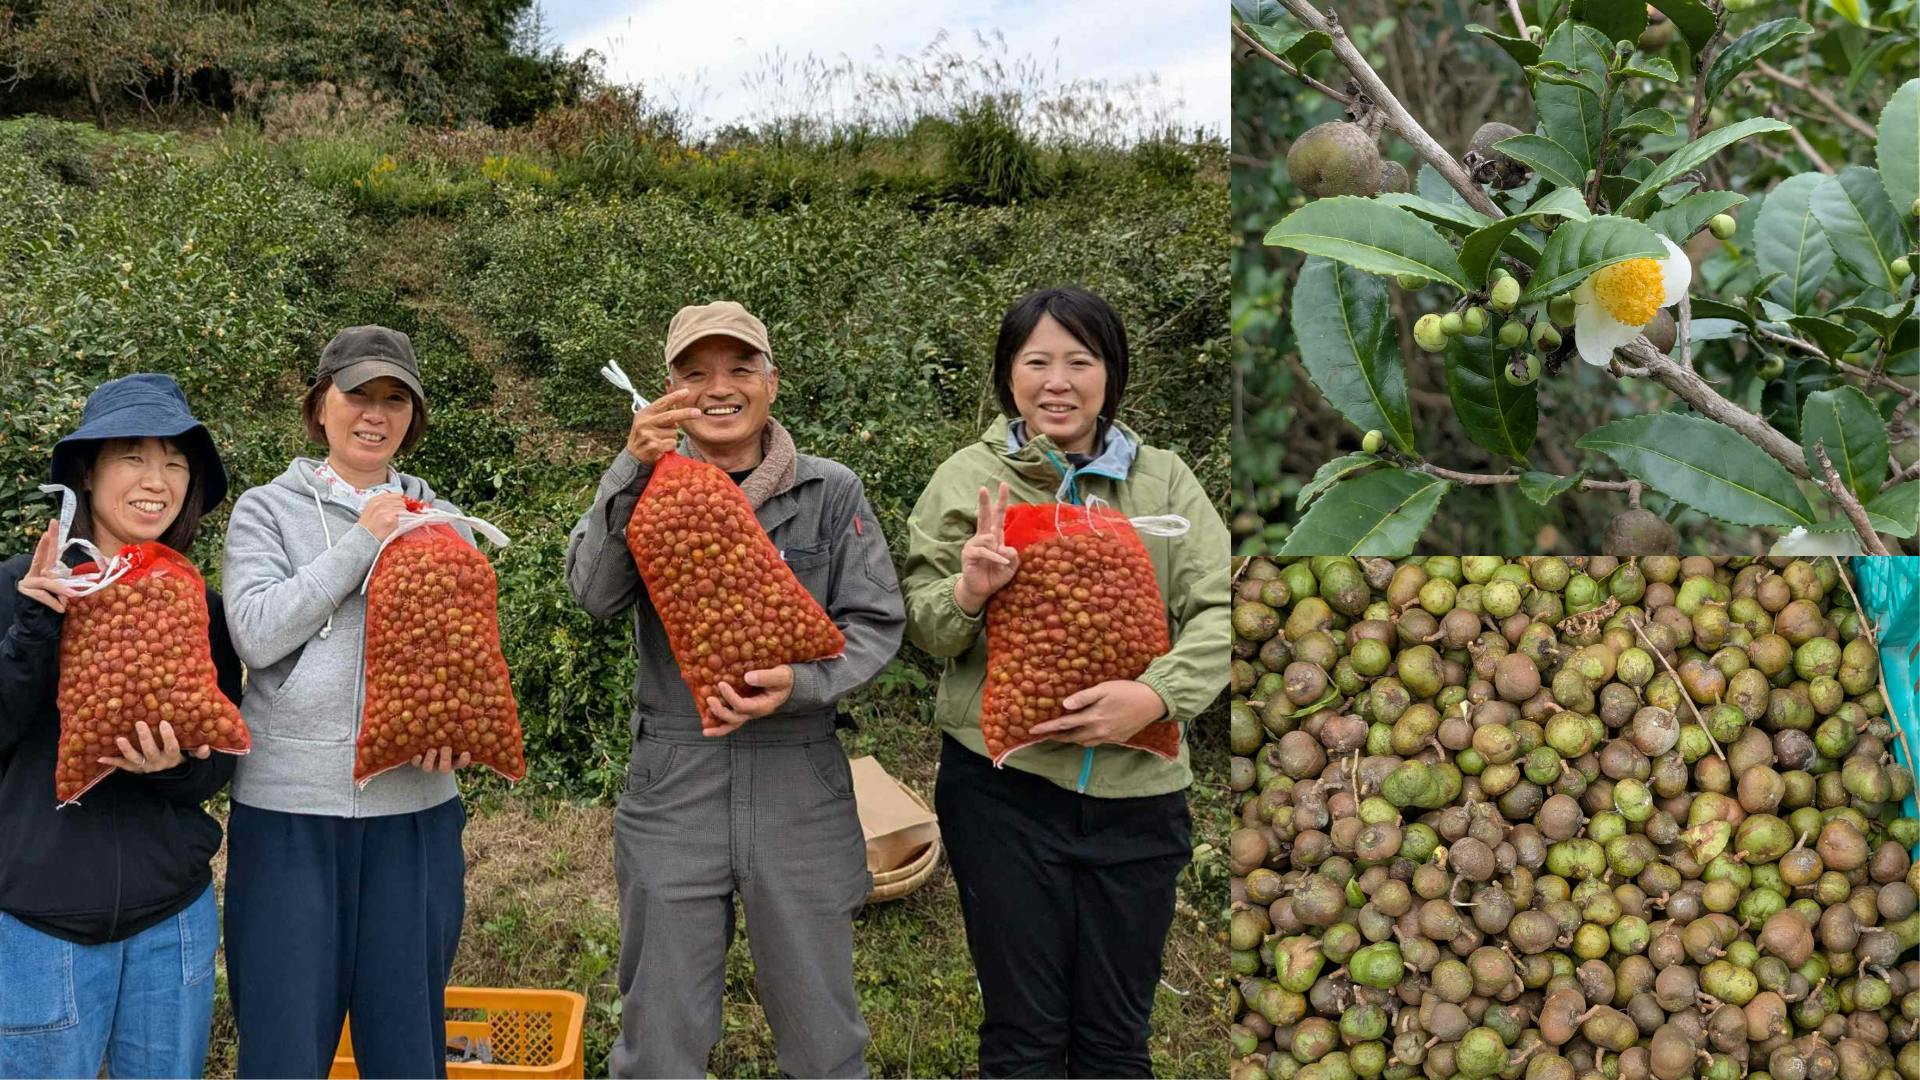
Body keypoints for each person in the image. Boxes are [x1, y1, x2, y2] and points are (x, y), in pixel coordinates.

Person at [566, 300, 905, 1079]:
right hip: (678, 773)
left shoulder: (831, 491)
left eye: (740, 368)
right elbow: (593, 594)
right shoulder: (648, 485)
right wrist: (628, 470)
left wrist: (802, 683)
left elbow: (877, 623)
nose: (720, 388)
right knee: (660, 1038)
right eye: (695, 373)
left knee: (824, 1040)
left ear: (772, 383)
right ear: (668, 391)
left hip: (801, 773)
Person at [901, 285, 1230, 1078]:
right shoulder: (969, 479)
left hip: (1139, 797)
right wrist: (970, 591)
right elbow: (925, 626)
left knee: (1116, 1039)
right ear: (1008, 376)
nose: (1058, 382)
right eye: (1036, 361)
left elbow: (1226, 610)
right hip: (1002, 792)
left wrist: (1154, 698)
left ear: (1110, 374)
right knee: (1024, 1035)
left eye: (1079, 361)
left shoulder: (1165, 484)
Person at [220, 326, 475, 1078]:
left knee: (406, 1047)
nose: (375, 413)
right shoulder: (267, 511)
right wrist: (363, 540)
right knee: (284, 1044)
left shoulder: (445, 522)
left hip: (415, 815)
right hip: (288, 816)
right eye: (358, 394)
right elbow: (257, 634)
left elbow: (461, 666)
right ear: (320, 407)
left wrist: (456, 730)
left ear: (413, 417)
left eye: (395, 399)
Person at [0, 373, 238, 1078]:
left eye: (174, 463)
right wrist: (35, 626)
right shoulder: (19, 586)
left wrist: (176, 767)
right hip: (40, 929)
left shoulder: (195, 602)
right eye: (133, 455)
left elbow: (219, 760)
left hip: (173, 922)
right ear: (87, 470)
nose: (155, 480)